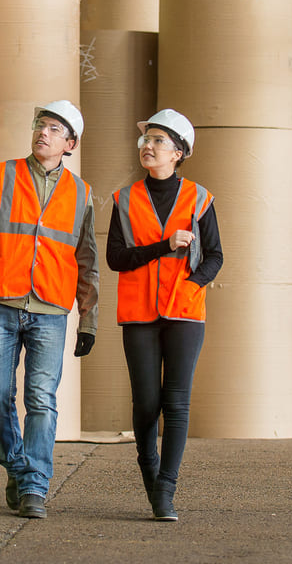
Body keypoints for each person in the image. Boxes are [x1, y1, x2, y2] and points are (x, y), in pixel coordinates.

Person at [0, 100, 99, 520]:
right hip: (2, 304)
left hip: (50, 311)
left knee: (42, 401)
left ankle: (33, 487)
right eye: (39, 125)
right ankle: (17, 465)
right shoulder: (1, 175)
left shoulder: (81, 193)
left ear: (70, 143)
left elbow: (87, 260)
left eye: (53, 129)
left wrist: (89, 319)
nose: (42, 133)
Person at [106, 109, 223, 521]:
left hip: (185, 313)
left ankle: (166, 490)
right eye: (146, 140)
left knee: (176, 401)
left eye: (157, 141)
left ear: (178, 153)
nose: (148, 147)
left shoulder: (199, 198)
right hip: (138, 312)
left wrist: (192, 285)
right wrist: (163, 246)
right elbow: (116, 259)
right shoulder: (123, 200)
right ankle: (148, 466)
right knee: (145, 403)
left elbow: (215, 257)